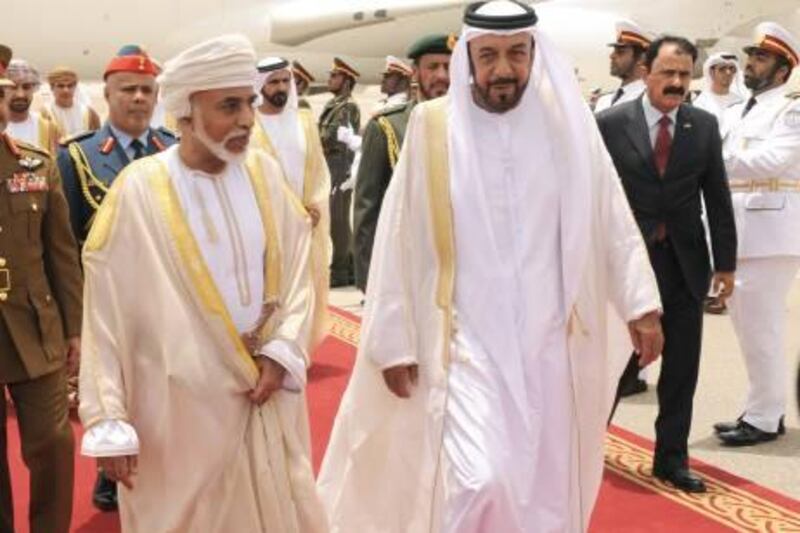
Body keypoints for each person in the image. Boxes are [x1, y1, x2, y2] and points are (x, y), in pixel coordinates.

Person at [318, 2, 664, 531]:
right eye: (490, 56)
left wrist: (640, 302)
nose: (504, 69)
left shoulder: (562, 123)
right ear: (469, 60)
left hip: (550, 342)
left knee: (545, 487)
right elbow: (399, 236)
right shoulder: (434, 128)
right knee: (480, 481)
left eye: (516, 54)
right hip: (465, 344)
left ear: (533, 53)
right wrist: (393, 337)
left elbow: (608, 213)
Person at [77, 34, 326, 532]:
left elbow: (302, 267)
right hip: (178, 416)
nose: (246, 120)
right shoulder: (141, 190)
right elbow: (106, 308)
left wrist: (283, 350)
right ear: (185, 113)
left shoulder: (262, 173)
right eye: (228, 106)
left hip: (265, 392)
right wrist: (108, 416)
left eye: (249, 103)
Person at [598, 36, 737, 493]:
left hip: (684, 265)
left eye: (684, 74)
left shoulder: (703, 125)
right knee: (614, 366)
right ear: (645, 72)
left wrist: (726, 263)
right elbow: (592, 197)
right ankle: (583, 447)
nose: (676, 83)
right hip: (625, 266)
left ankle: (671, 460)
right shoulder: (610, 124)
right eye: (668, 73)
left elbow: (716, 196)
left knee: (681, 369)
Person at [56, 45, 176, 512]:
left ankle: (164, 464)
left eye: (147, 90)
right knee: (111, 389)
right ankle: (109, 474)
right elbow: (65, 243)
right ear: (108, 94)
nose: (139, 99)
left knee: (164, 387)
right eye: (129, 89)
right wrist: (73, 321)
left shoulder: (173, 148)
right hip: (108, 301)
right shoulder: (80, 157)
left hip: (169, 297)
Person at [0, 43, 83, 533]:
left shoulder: (35, 165)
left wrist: (74, 328)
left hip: (37, 324)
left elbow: (62, 254)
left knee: (52, 443)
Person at [714, 22, 800, 447]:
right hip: (737, 228)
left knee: (761, 327)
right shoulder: (734, 111)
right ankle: (761, 408)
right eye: (751, 56)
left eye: (761, 58)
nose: (750, 64)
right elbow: (740, 160)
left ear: (783, 71)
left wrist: (716, 159)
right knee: (746, 326)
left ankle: (765, 418)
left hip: (771, 231)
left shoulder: (792, 109)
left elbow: (770, 161)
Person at [353, 33, 453, 292]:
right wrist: (368, 278)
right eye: (433, 67)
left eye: (449, 66)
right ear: (416, 73)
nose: (442, 75)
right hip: (405, 267)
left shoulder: (474, 125)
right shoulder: (386, 126)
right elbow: (367, 208)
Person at [254, 56, 332, 351]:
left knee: (305, 286)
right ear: (260, 85)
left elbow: (319, 169)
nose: (280, 87)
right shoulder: (252, 125)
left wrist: (315, 206)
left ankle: (298, 348)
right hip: (267, 224)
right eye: (273, 82)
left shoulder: (304, 122)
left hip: (306, 222)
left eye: (285, 81)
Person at [319, 57, 361, 287]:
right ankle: (349, 266)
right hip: (330, 164)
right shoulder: (333, 105)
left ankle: (341, 270)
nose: (330, 79)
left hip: (340, 166)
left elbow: (336, 138)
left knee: (338, 220)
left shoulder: (348, 107)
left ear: (346, 81)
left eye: (334, 76)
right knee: (337, 219)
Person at [594, 20, 653, 114]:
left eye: (620, 52)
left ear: (642, 59)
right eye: (614, 51)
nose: (612, 56)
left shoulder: (646, 102)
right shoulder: (604, 101)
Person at [4, 59, 61, 154]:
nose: (20, 94)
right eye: (13, 87)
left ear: (34, 88)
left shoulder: (49, 129)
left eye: (26, 87)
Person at [41, 67, 101, 138]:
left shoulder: (89, 114)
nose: (66, 90)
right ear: (52, 88)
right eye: (61, 86)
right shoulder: (45, 114)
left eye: (70, 86)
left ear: (75, 87)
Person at [693, 52, 746, 126]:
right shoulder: (701, 103)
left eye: (731, 69)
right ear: (712, 73)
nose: (728, 72)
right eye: (722, 69)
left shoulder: (740, 101)